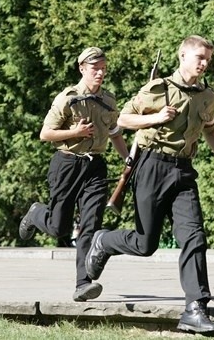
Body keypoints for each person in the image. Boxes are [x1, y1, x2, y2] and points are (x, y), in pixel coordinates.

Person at [85, 35, 214, 336]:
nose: (205, 63)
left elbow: (210, 130)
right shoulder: (159, 89)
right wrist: (155, 117)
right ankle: (103, 241)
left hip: (183, 170)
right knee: (145, 244)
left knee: (194, 236)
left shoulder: (207, 96)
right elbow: (121, 120)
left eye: (208, 59)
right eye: (199, 57)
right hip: (151, 166)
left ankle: (195, 308)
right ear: (182, 56)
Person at [18, 46, 128, 302]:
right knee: (59, 227)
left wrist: (128, 159)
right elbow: (46, 134)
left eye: (103, 68)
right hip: (66, 163)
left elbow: (114, 133)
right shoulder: (66, 98)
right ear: (82, 69)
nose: (100, 73)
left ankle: (83, 283)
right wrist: (74, 133)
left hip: (95, 167)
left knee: (91, 224)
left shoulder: (109, 100)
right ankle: (36, 213)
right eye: (95, 69)